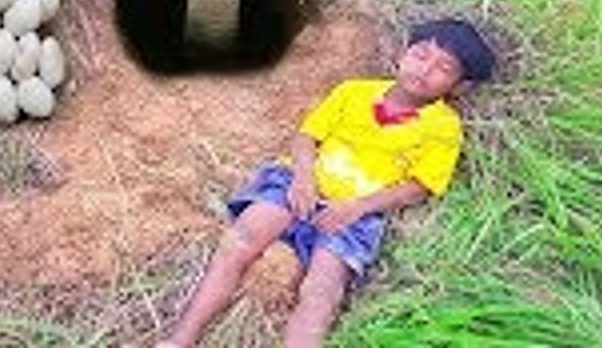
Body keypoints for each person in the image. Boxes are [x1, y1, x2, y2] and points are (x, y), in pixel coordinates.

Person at [159, 19, 496, 348]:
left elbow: (419, 186)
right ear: (402, 54)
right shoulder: (354, 91)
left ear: (459, 87)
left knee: (322, 291)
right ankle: (180, 339)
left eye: (444, 68)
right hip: (298, 184)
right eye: (421, 55)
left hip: (355, 213)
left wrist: (357, 207)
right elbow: (307, 137)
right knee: (239, 240)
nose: (425, 70)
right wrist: (303, 179)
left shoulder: (443, 127)